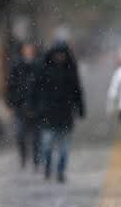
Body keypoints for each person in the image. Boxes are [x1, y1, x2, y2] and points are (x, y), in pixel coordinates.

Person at [34, 41, 85, 182]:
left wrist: (80, 108)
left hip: (66, 114)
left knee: (64, 147)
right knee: (47, 144)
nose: (60, 57)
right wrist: (35, 107)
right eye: (58, 54)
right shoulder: (43, 68)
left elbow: (77, 90)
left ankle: (61, 171)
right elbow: (35, 89)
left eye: (63, 54)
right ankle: (47, 166)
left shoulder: (71, 69)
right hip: (47, 113)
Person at [6, 42, 41, 170]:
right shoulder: (17, 66)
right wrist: (11, 102)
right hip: (20, 107)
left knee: (37, 136)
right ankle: (23, 157)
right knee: (20, 134)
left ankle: (36, 159)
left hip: (36, 106)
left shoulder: (38, 65)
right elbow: (11, 86)